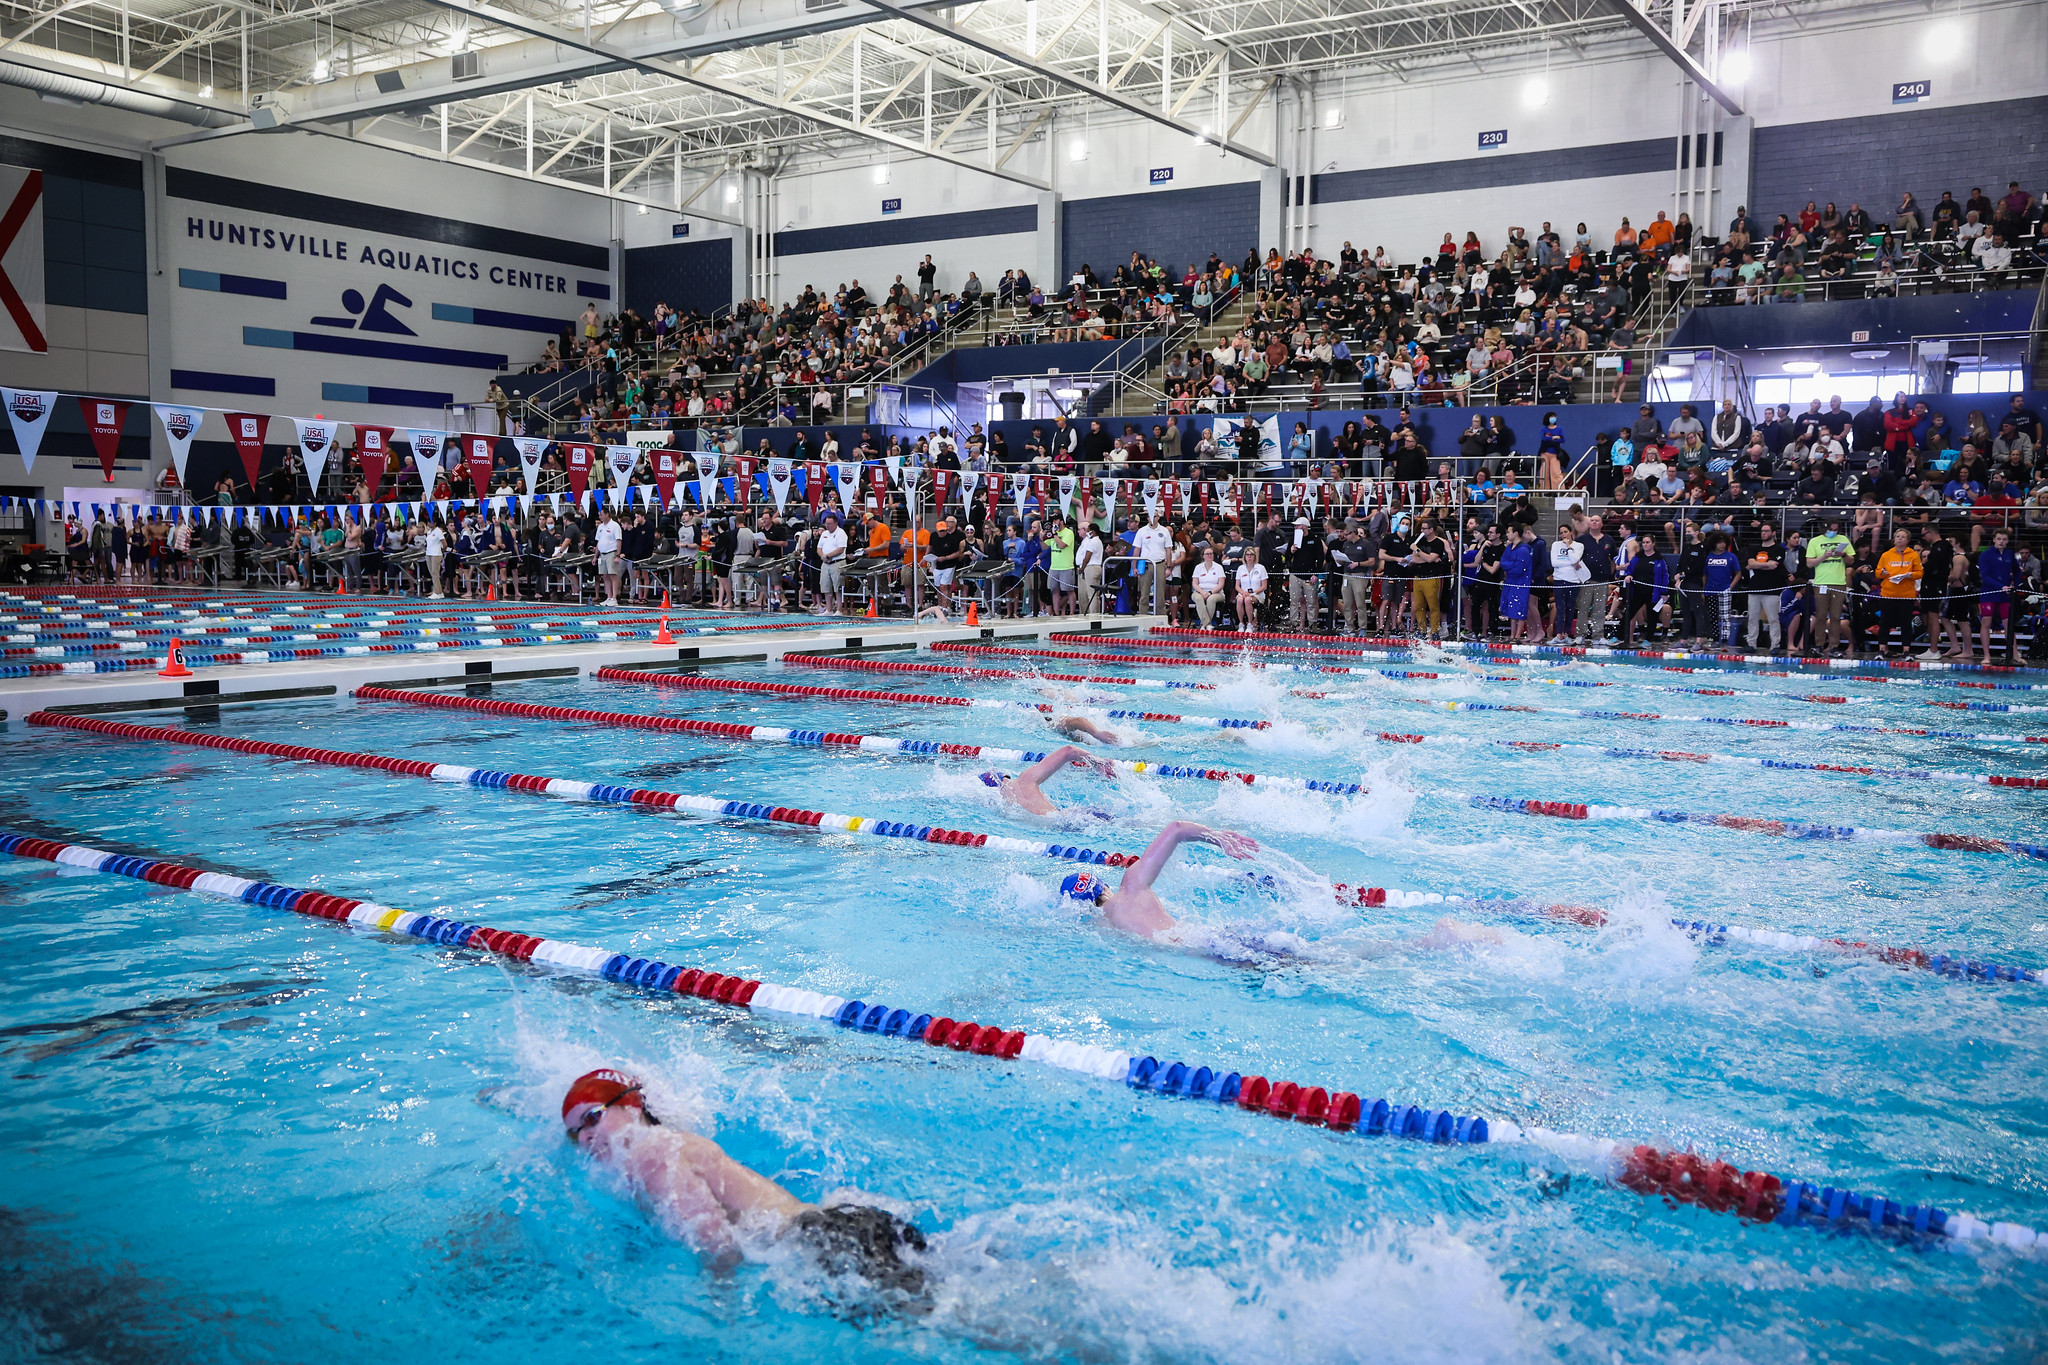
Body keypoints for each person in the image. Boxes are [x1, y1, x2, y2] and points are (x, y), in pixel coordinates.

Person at [561, 1069, 929, 1307]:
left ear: (631, 1107)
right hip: (838, 1228)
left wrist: (721, 1304)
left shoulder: (652, 1153)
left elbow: (715, 1241)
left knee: (940, 1322)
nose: (587, 1135)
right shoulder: (667, 1145)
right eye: (576, 1132)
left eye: (593, 1117)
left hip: (822, 1242)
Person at [1054, 821, 1261, 938]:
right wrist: (1216, 836)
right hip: (1207, 939)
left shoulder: (1102, 928)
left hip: (1198, 956)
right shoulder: (1132, 886)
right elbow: (1177, 828)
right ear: (1105, 885)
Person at [981, 744, 1118, 816]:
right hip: (1071, 818)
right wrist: (1098, 762)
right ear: (1004, 777)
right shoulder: (1024, 781)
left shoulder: (1004, 807)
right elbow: (1068, 750)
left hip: (1057, 825)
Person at [1806, 515, 1855, 656]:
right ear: (1825, 529)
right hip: (1821, 582)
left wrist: (1843, 554)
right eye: (1831, 529)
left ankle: (1834, 645)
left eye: (1836, 530)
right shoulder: (1815, 541)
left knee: (1835, 616)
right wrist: (1824, 557)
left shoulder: (1843, 540)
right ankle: (1819, 644)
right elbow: (1809, 563)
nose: (1833, 532)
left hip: (1838, 582)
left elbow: (1851, 560)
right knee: (1820, 616)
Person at [1875, 527, 1923, 659]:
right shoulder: (1886, 555)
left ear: (1907, 540)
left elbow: (1919, 573)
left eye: (1902, 537)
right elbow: (1878, 572)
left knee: (1906, 623)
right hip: (1888, 593)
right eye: (1897, 536)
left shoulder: (1913, 555)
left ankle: (1906, 651)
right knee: (1884, 622)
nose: (1899, 539)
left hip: (1906, 595)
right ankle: (1882, 649)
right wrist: (1882, 573)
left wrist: (1909, 575)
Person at [815, 510, 848, 615]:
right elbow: (819, 548)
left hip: (837, 563)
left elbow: (841, 549)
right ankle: (829, 609)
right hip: (825, 563)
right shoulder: (824, 533)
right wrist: (823, 556)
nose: (827, 526)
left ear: (835, 523)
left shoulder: (841, 533)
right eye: (826, 523)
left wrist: (828, 556)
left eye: (829, 524)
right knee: (825, 587)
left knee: (838, 587)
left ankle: (839, 609)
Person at [1189, 543, 1229, 628]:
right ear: (1203, 556)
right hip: (1199, 591)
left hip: (1216, 593)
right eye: (1207, 554)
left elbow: (1221, 584)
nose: (1209, 555)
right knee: (1198, 598)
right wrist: (1203, 592)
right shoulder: (1198, 567)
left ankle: (1204, 624)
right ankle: (1207, 624)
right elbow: (1195, 584)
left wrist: (1210, 593)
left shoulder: (1219, 567)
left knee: (1211, 599)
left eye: (1211, 553)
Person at [1233, 545, 1268, 632]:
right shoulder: (1240, 568)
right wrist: (1243, 592)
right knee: (1240, 600)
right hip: (1243, 593)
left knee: (1248, 600)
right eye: (1247, 555)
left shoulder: (1261, 568)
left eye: (1251, 555)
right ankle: (1241, 623)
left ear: (1254, 556)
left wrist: (1252, 593)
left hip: (1257, 594)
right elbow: (1237, 586)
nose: (1249, 557)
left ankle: (1249, 623)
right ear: (1244, 557)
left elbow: (1264, 586)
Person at [594, 506, 624, 607]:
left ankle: (614, 597)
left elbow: (619, 541)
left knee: (612, 575)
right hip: (602, 554)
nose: (600, 516)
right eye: (599, 515)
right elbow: (598, 542)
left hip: (612, 553)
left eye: (601, 514)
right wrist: (595, 557)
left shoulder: (615, 526)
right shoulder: (600, 527)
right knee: (605, 576)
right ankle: (609, 597)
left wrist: (618, 555)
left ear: (607, 514)